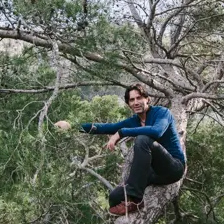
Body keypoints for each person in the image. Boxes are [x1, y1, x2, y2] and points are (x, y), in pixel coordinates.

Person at [55, 83, 185, 215]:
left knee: (143, 139)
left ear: (147, 99)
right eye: (132, 100)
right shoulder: (134, 121)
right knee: (115, 198)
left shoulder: (162, 113)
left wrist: (121, 132)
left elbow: (157, 131)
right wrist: (73, 126)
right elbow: (105, 127)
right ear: (128, 104)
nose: (136, 102)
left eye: (139, 98)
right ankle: (131, 195)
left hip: (174, 167)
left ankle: (136, 200)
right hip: (154, 174)